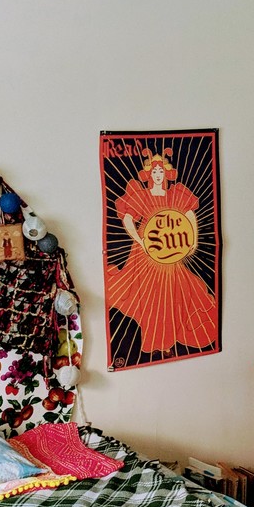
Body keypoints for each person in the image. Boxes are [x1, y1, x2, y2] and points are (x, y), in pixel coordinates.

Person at [105, 150, 217, 355]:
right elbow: (128, 219)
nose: (158, 175)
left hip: (170, 250)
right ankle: (156, 342)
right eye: (155, 171)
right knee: (151, 297)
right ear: (149, 174)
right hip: (146, 253)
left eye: (161, 171)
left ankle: (167, 338)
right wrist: (140, 241)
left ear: (166, 173)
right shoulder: (142, 195)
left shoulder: (175, 194)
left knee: (174, 294)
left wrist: (193, 238)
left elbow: (190, 214)